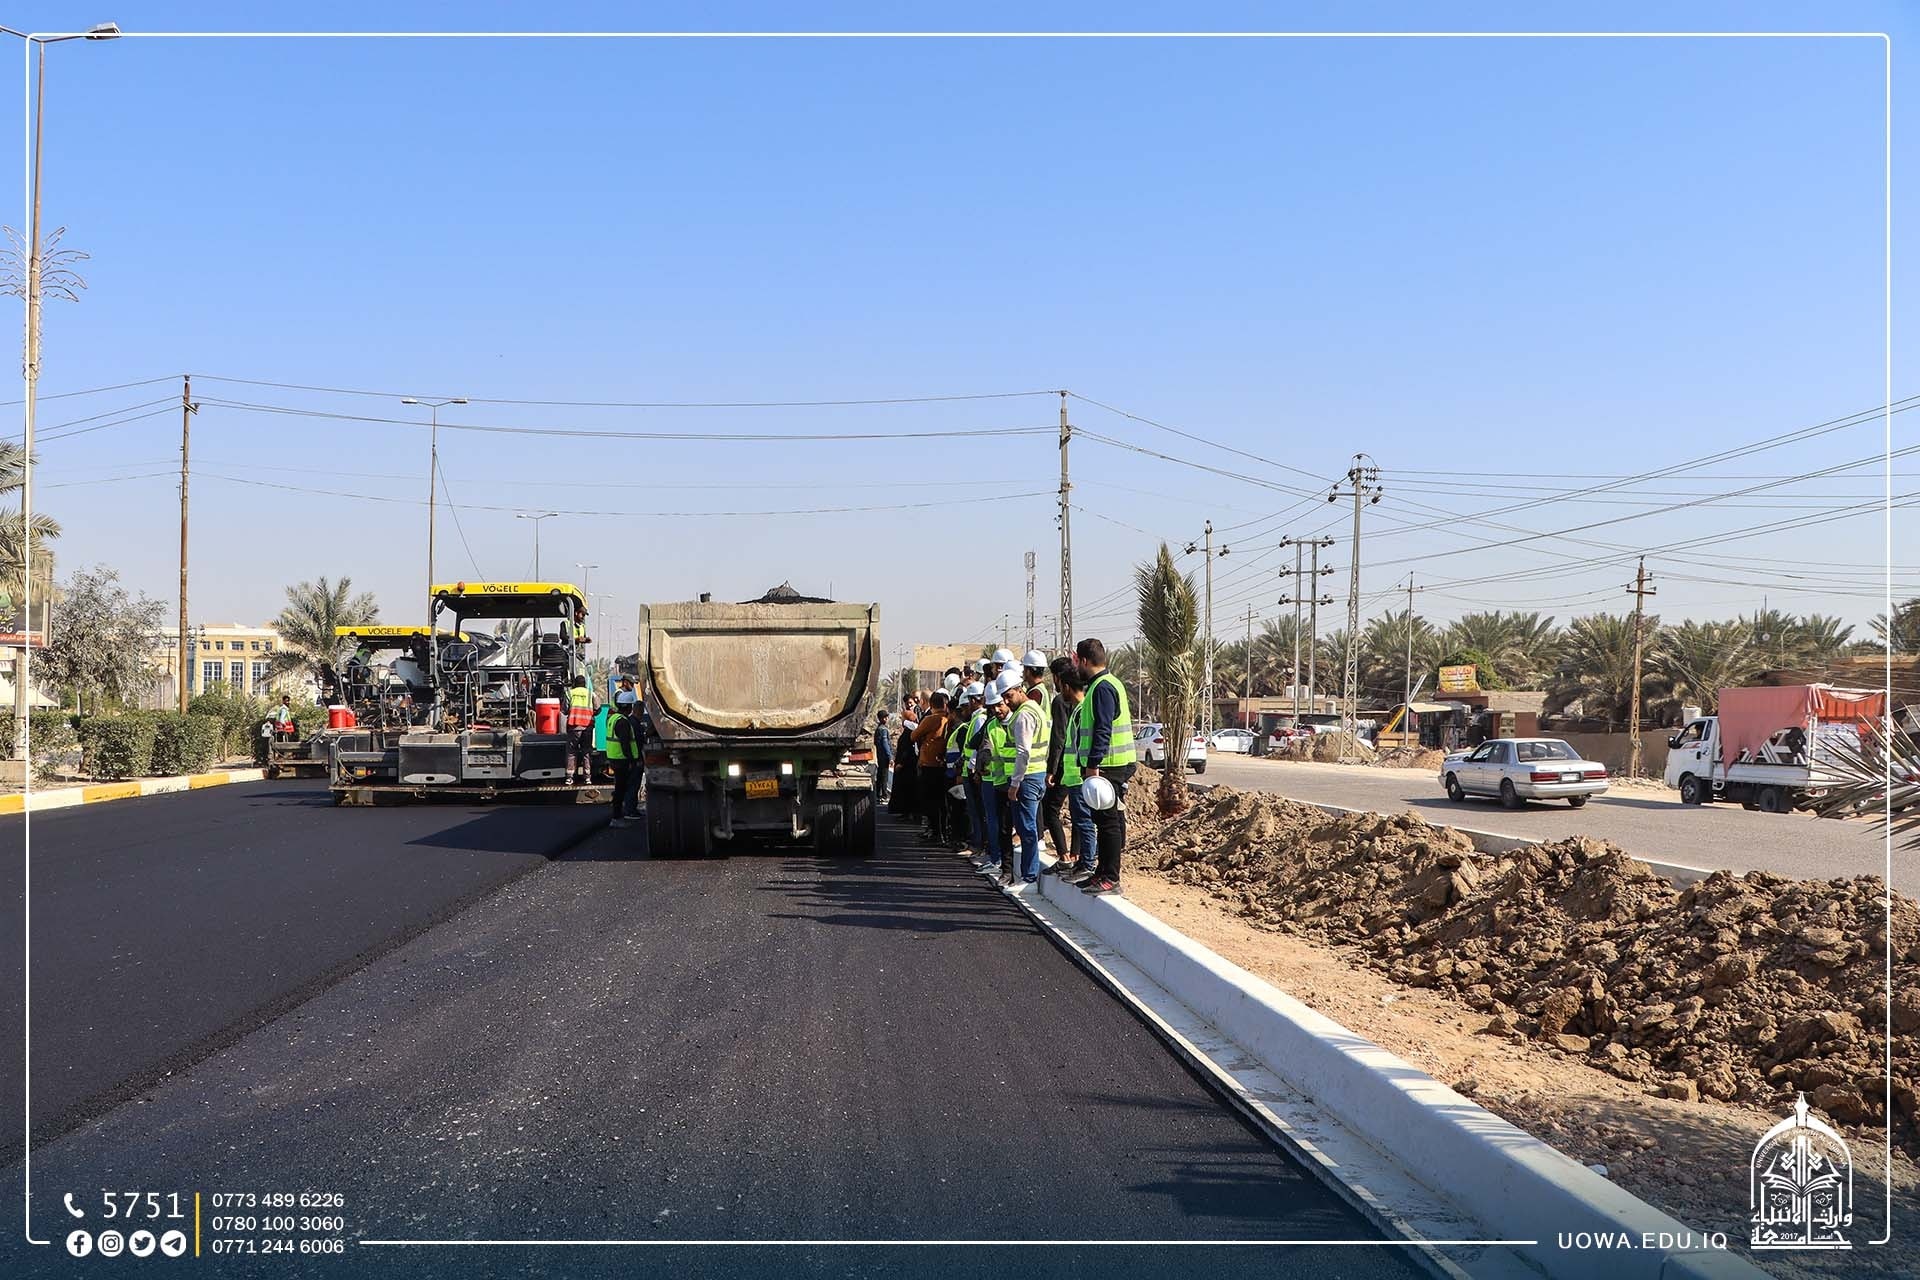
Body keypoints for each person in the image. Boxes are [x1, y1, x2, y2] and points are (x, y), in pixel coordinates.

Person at [1073, 638, 1136, 894]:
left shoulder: (1103, 687)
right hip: (1108, 764)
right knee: (1102, 821)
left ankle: (1111, 877)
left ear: (1084, 661)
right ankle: (1101, 873)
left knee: (1108, 822)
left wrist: (1093, 765)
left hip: (1109, 765)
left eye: (1077, 662)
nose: (1076, 667)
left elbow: (1103, 729)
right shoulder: (1102, 685)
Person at [1001, 675, 1051, 886]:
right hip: (1036, 774)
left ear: (1020, 690)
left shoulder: (1023, 715)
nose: (1007, 701)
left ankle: (1029, 878)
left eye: (1009, 695)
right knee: (1027, 827)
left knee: (1027, 828)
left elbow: (1023, 752)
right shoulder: (1035, 709)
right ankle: (1027, 875)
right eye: (1004, 697)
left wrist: (1015, 783)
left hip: (1028, 777)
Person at [1051, 668, 1098, 877]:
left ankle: (1087, 864)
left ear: (1067, 687)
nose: (1061, 692)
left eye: (1061, 687)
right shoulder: (1080, 710)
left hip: (1079, 777)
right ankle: (1083, 863)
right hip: (1074, 776)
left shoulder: (1081, 711)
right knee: (1080, 821)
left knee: (1085, 823)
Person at [1040, 657, 1076, 868]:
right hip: (1080, 764)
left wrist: (1051, 769)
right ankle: (1076, 855)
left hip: (1064, 765)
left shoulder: (1061, 701)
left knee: (1050, 809)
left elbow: (1059, 736)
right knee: (1079, 812)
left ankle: (1064, 855)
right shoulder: (1083, 698)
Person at [971, 680, 1010, 873]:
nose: (995, 710)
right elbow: (984, 748)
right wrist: (980, 768)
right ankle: (996, 859)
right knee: (994, 821)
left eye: (999, 705)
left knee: (1003, 823)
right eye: (992, 706)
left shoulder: (1018, 721)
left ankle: (1000, 861)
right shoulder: (992, 724)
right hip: (992, 779)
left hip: (1012, 780)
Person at [911, 691, 954, 845]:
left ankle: (936, 832)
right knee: (942, 802)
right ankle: (941, 832)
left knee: (931, 800)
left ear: (931, 705)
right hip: (944, 764)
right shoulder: (949, 719)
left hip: (929, 764)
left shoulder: (931, 720)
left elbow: (914, 736)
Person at [605, 699, 640, 827]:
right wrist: (631, 760)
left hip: (614, 758)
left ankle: (618, 815)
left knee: (619, 788)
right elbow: (625, 744)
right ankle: (617, 817)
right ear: (629, 707)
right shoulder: (623, 722)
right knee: (621, 789)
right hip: (622, 760)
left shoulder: (613, 718)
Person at [889, 695, 920, 818]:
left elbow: (908, 748)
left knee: (907, 788)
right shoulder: (908, 731)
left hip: (907, 766)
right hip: (906, 765)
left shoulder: (910, 732)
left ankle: (909, 812)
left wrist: (901, 763)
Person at [566, 674, 596, 784]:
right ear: (585, 684)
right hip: (587, 727)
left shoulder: (570, 693)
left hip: (574, 727)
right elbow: (598, 708)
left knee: (571, 752)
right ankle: (587, 777)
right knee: (586, 752)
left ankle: (569, 777)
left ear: (575, 684)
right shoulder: (591, 694)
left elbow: (564, 709)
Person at [874, 708, 894, 803]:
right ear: (882, 718)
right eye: (885, 717)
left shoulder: (878, 729)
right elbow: (885, 744)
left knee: (880, 775)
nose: (886, 719)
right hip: (884, 756)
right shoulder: (883, 730)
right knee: (884, 776)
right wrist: (890, 757)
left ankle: (878, 794)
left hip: (879, 755)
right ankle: (884, 795)